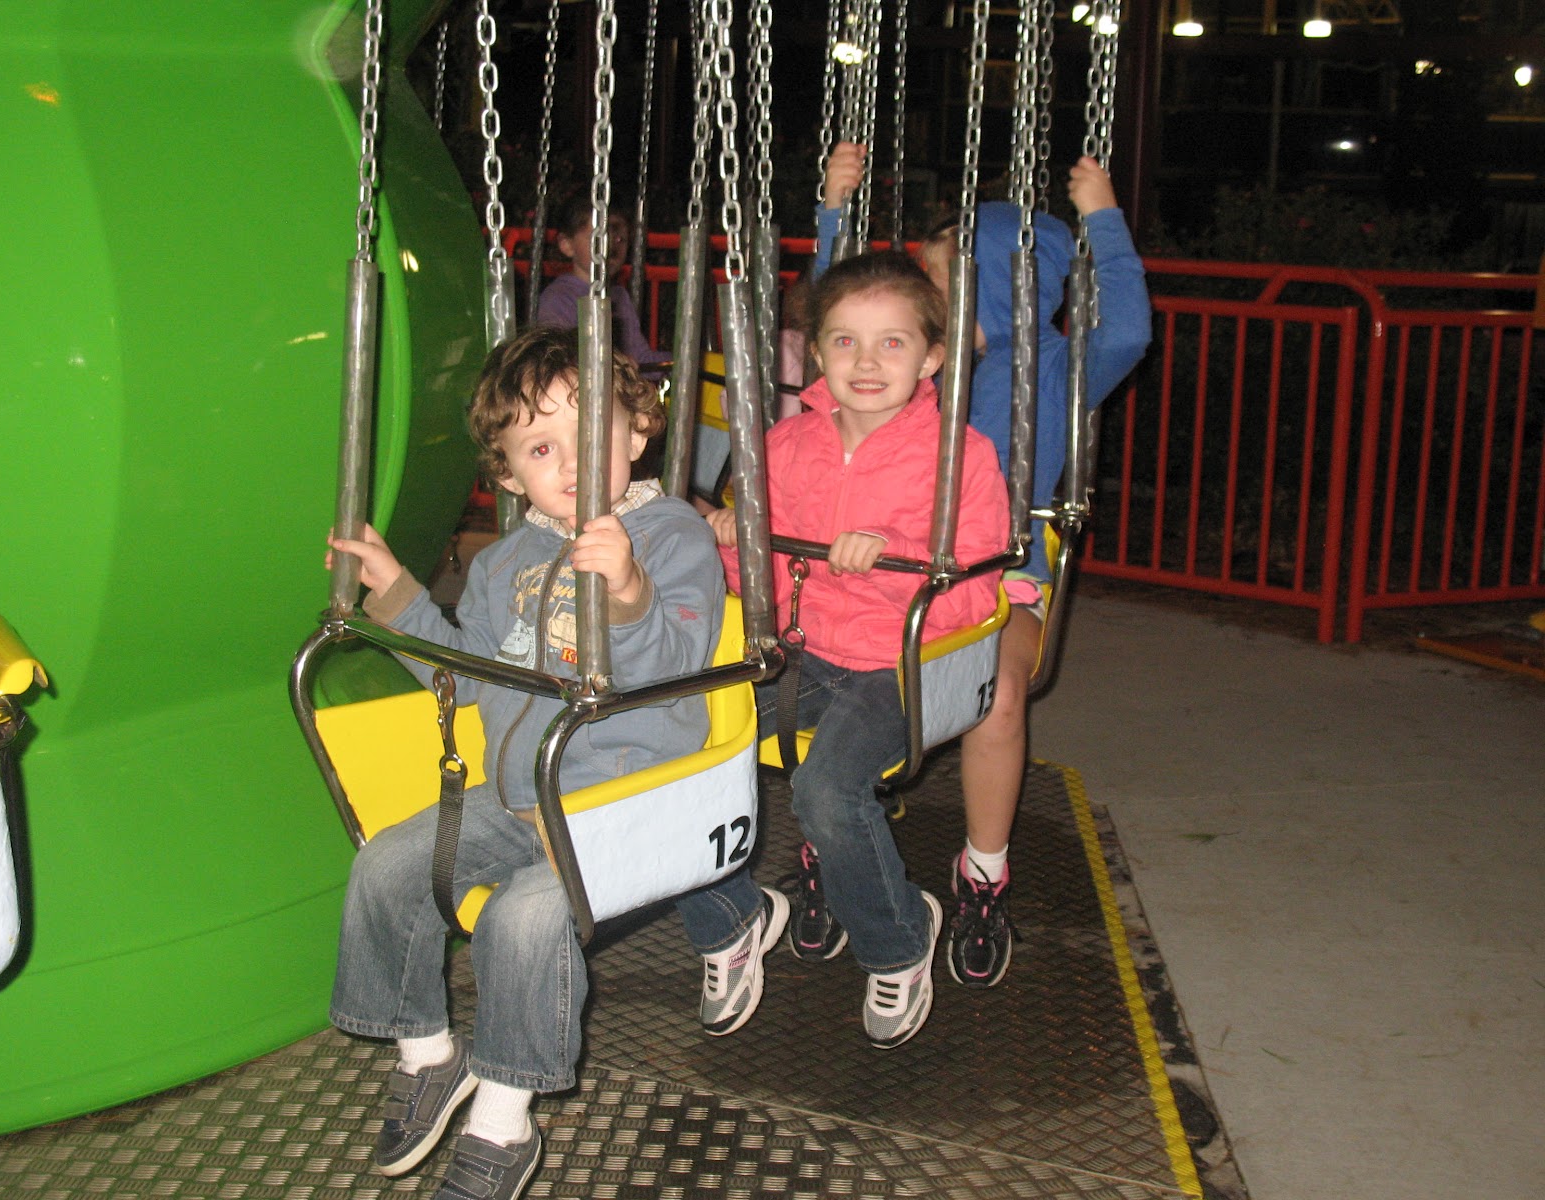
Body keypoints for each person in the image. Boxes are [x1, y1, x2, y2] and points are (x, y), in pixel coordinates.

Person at [326, 326, 787, 1200]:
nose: (570, 463)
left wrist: (629, 594)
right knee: (387, 865)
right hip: (518, 793)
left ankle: (502, 1123)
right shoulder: (503, 561)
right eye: (540, 448)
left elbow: (677, 661)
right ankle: (428, 1054)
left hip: (626, 796)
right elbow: (468, 676)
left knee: (523, 920)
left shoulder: (672, 535)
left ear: (636, 429)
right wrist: (396, 594)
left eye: (588, 432)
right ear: (506, 475)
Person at [705, 251, 1015, 1049]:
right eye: (845, 341)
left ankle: (898, 941)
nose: (866, 362)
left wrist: (898, 558)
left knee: (827, 790)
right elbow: (754, 579)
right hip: (802, 649)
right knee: (680, 738)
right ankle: (730, 918)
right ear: (817, 353)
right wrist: (724, 547)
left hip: (899, 663)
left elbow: (979, 590)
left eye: (891, 343)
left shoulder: (961, 456)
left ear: (932, 358)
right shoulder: (784, 444)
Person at [914, 155, 1151, 989]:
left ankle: (983, 871)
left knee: (1000, 693)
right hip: (909, 564)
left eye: (946, 279)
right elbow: (842, 323)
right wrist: (835, 213)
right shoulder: (919, 366)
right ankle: (833, 837)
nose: (930, 295)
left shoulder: (1055, 368)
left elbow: (1128, 333)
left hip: (1008, 571)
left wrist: (1104, 218)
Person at [534, 194, 668, 372]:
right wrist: (614, 363)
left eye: (620, 240)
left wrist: (685, 361)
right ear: (567, 245)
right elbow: (557, 358)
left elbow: (641, 357)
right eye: (599, 238)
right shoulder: (559, 298)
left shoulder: (619, 296)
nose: (610, 246)